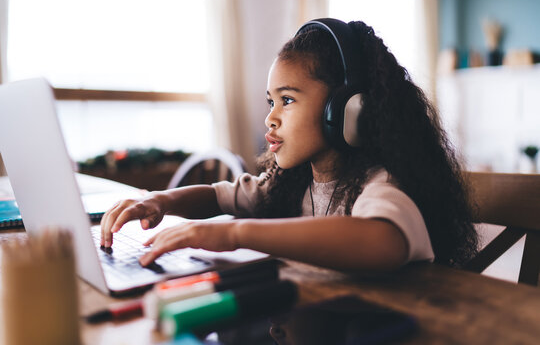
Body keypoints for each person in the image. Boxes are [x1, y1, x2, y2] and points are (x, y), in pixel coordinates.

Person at [100, 18, 478, 271]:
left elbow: (385, 239)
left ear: (345, 109)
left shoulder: (379, 184)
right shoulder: (293, 182)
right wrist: (160, 201)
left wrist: (233, 234)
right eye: (271, 101)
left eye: (288, 99)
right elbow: (219, 196)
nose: (271, 117)